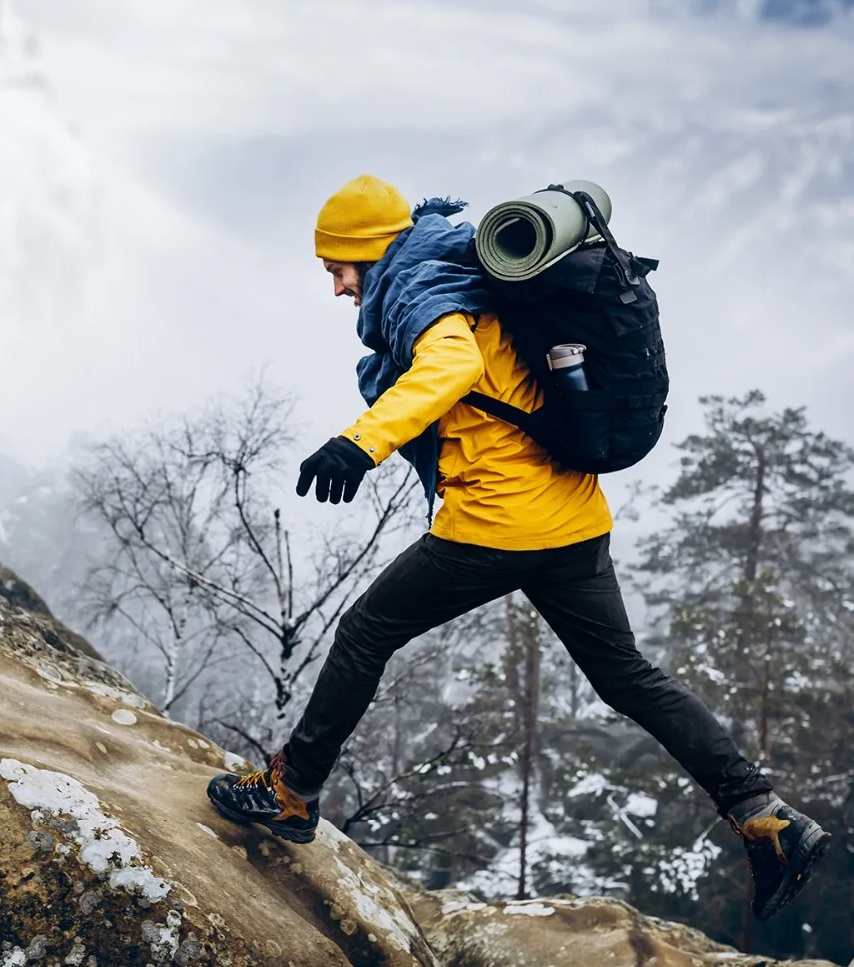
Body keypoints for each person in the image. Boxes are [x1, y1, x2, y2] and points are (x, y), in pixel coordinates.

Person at [207, 174, 830, 921]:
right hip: (573, 519)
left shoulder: (421, 292)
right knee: (627, 676)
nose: (337, 288)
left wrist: (359, 443)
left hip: (498, 526)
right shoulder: (460, 266)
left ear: (372, 257)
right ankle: (766, 818)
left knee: (366, 631)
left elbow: (451, 367)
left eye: (338, 269)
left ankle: (290, 793)